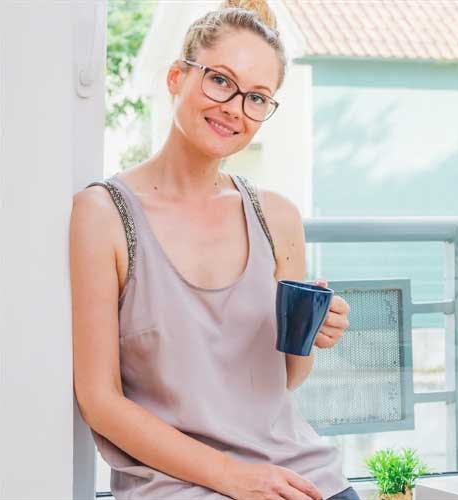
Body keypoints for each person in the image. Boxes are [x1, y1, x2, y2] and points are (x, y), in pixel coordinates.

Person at [70, 1, 359, 498]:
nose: (234, 108)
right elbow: (100, 402)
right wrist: (233, 477)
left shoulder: (277, 217)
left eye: (257, 98)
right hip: (177, 485)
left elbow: (288, 378)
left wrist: (315, 333)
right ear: (176, 77)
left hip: (296, 475)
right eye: (220, 80)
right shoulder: (103, 214)